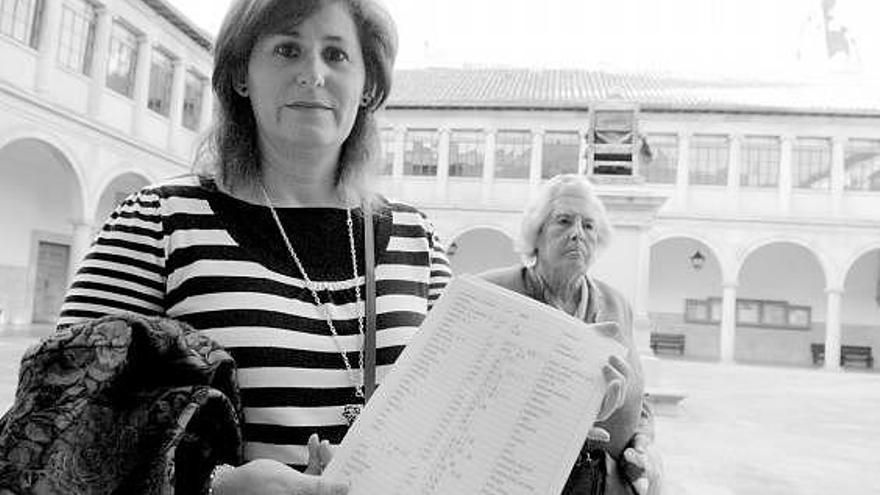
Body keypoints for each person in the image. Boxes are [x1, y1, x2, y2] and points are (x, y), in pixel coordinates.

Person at [57, 0, 447, 493]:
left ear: (368, 87)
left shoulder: (420, 241)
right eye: (287, 50)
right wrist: (215, 484)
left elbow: (458, 416)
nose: (313, 74)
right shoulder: (158, 223)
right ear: (242, 75)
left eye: (337, 55)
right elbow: (66, 425)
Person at [480, 174, 663, 495]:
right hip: (517, 478)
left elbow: (640, 397)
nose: (577, 234)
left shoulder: (616, 303)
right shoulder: (494, 293)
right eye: (563, 221)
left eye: (589, 226)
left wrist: (643, 441)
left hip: (603, 481)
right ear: (536, 233)